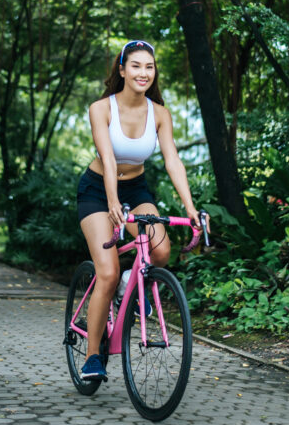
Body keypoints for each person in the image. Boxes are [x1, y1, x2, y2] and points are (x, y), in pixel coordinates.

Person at [76, 38, 202, 379]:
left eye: (149, 66)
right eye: (136, 65)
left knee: (160, 251)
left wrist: (190, 208)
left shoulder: (159, 113)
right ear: (122, 70)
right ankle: (93, 358)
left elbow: (173, 159)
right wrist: (113, 202)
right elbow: (109, 157)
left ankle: (134, 281)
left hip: (136, 188)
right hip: (97, 190)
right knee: (107, 272)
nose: (143, 72)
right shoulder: (101, 108)